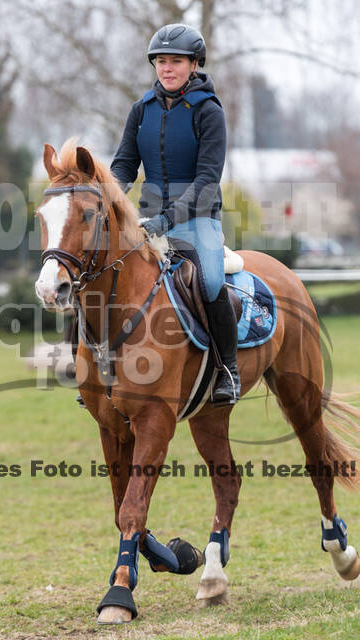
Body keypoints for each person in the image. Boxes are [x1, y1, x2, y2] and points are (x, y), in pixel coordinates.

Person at [111, 23, 240, 405]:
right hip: (147, 220)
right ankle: (93, 364)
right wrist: (110, 198)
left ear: (195, 64)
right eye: (161, 62)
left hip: (198, 218)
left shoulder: (208, 111)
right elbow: (123, 165)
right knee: (102, 273)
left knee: (210, 281)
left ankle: (227, 369)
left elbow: (207, 182)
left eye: (176, 62)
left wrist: (169, 219)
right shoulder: (141, 110)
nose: (167, 69)